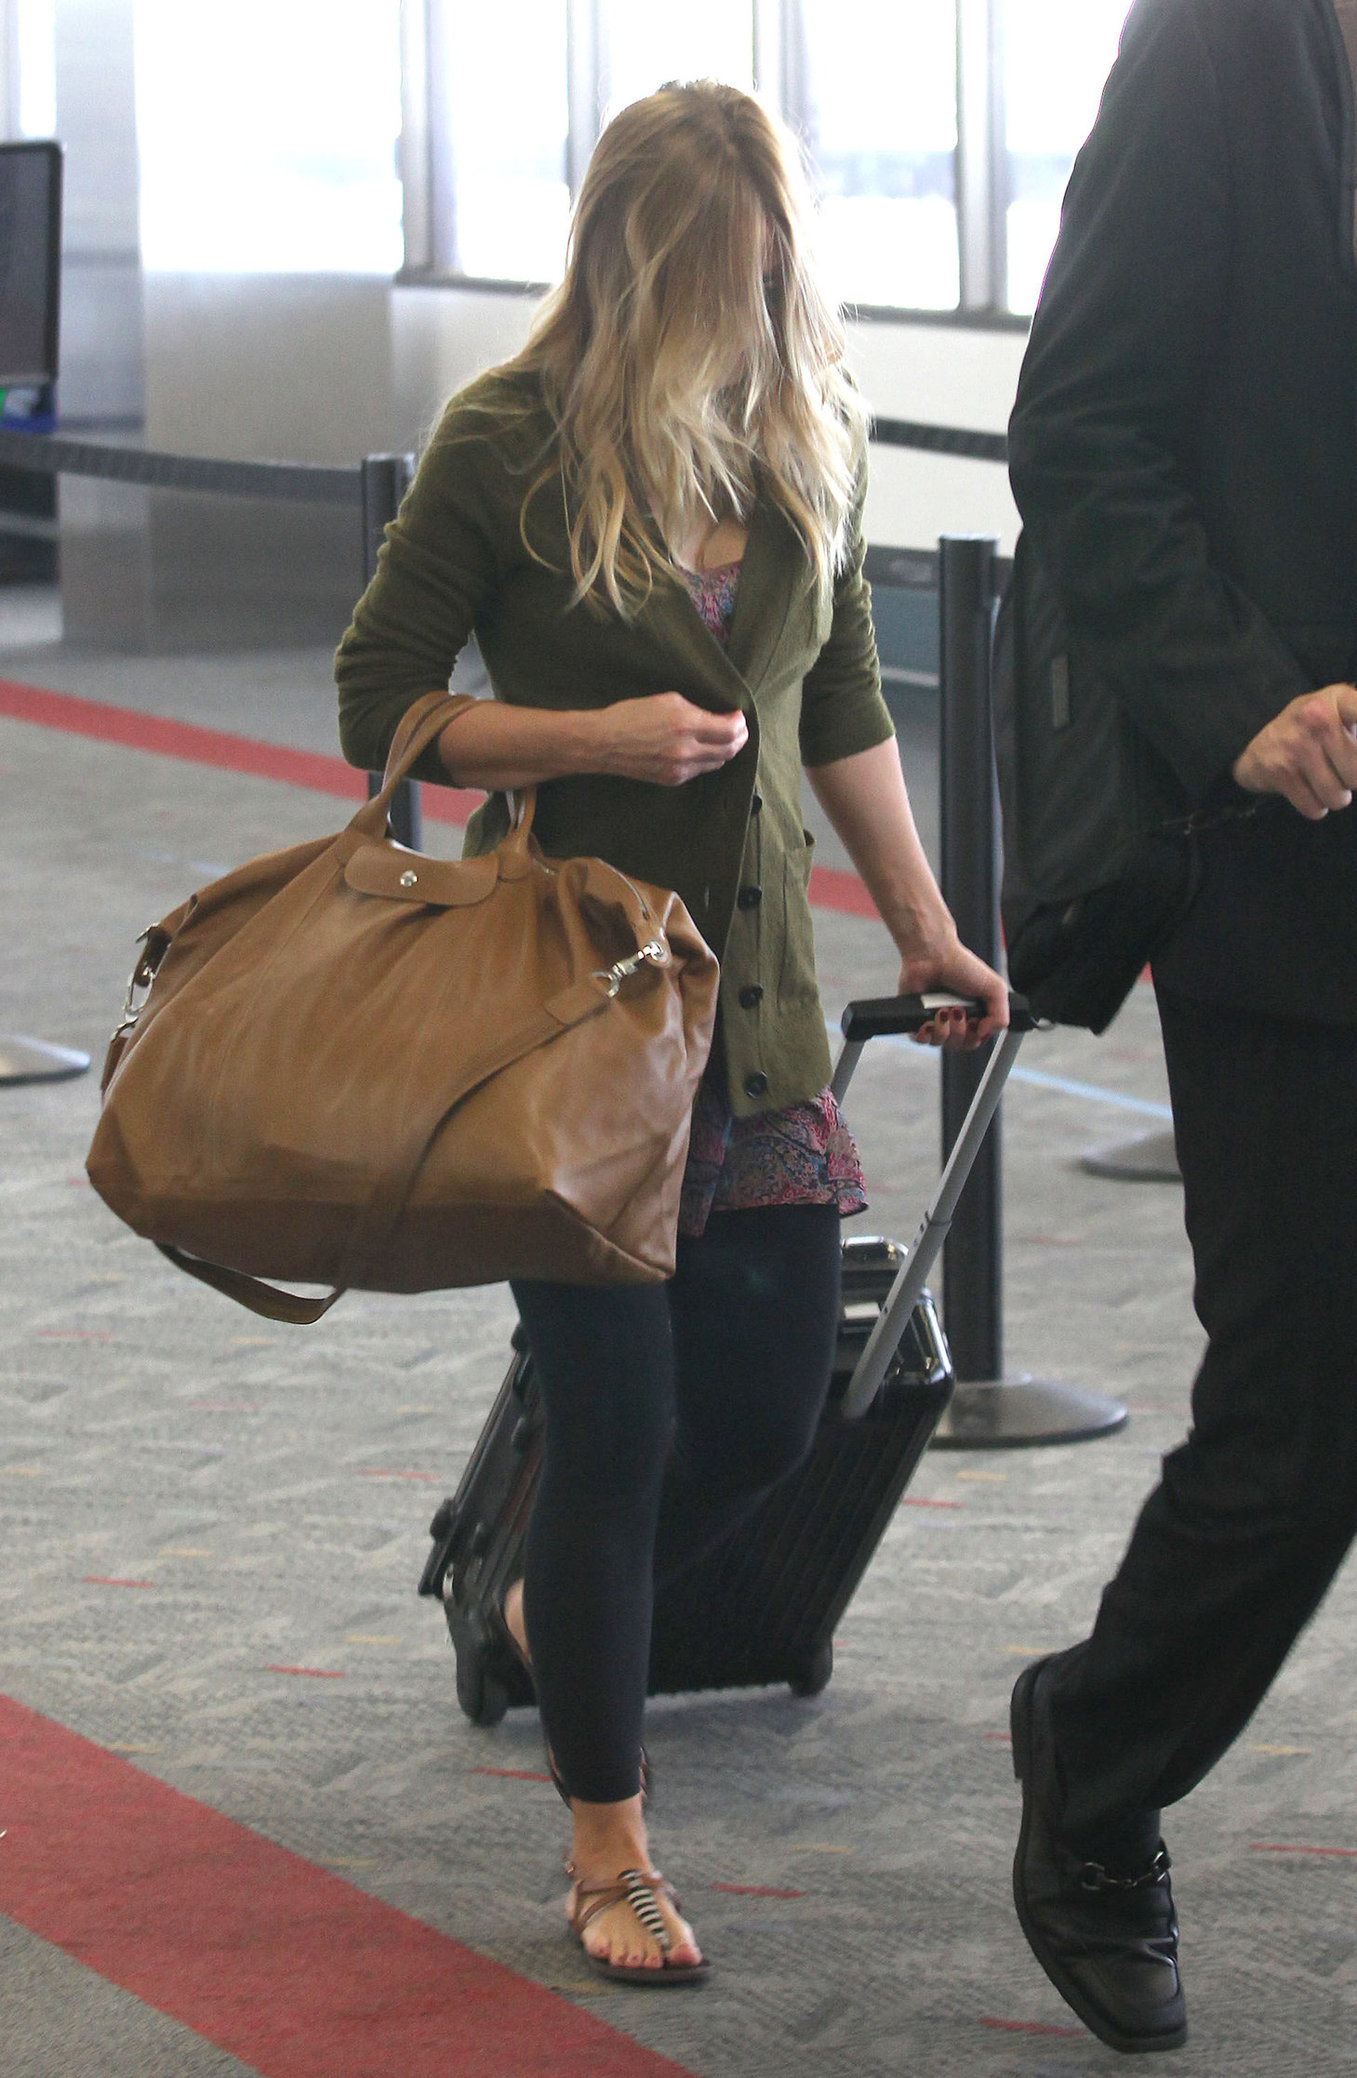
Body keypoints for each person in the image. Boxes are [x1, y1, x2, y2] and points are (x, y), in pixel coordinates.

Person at [336, 81, 1006, 1984]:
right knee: (619, 1426)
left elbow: (841, 693)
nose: (751, 312)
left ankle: (545, 1608)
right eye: (716, 282)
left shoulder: (806, 427)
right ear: (633, 272)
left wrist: (927, 923)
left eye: (769, 273)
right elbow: (378, 702)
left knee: (772, 1416)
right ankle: (607, 1845)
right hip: (572, 1012)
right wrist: (589, 742)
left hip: (756, 1003)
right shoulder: (512, 438)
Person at [1004, 0, 1357, 2052]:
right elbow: (1082, 432)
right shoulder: (1223, 44)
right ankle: (1096, 1753)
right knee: (1303, 1426)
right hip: (1290, 854)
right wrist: (1236, 698)